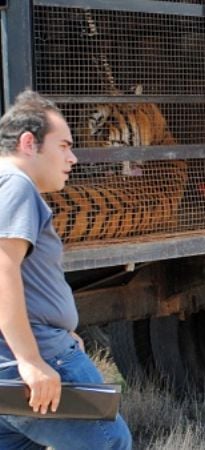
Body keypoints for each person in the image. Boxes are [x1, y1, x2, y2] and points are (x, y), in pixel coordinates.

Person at [0, 90, 132, 449]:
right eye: (64, 146)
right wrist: (31, 359)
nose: (73, 158)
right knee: (110, 442)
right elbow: (3, 269)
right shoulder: (16, 186)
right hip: (41, 356)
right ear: (29, 143)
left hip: (14, 356)